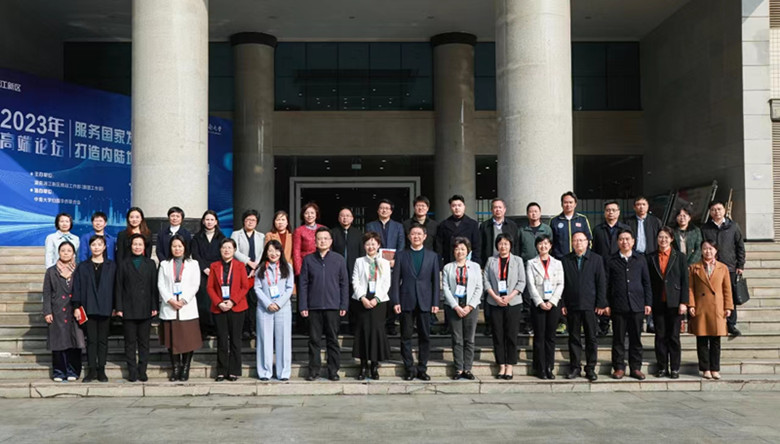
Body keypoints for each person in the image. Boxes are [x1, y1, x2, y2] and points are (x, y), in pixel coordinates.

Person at [391, 223, 440, 381]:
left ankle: (422, 368)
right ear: (408, 236)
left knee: (425, 336)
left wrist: (435, 302)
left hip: (425, 301)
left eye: (419, 234)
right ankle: (409, 368)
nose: (416, 236)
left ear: (425, 236)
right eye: (413, 234)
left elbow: (435, 282)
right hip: (406, 300)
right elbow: (395, 280)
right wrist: (395, 301)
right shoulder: (401, 255)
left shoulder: (432, 256)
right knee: (406, 336)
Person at [299, 228, 349, 381]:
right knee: (314, 340)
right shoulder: (308, 260)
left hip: (333, 306)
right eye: (319, 238)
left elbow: (344, 284)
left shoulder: (338, 259)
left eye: (326, 238)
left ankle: (333, 370)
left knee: (332, 340)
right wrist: (303, 305)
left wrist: (344, 305)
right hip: (314, 307)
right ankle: (313, 370)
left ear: (331, 241)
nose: (322, 241)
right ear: (315, 241)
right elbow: (303, 284)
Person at [605, 229, 652, 380]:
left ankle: (635, 368)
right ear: (617, 242)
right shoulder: (611, 260)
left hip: (637, 305)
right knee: (618, 339)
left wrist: (648, 303)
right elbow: (606, 284)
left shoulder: (640, 259)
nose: (624, 242)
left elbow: (646, 282)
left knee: (636, 339)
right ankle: (619, 367)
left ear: (633, 241)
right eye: (621, 239)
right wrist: (606, 304)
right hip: (618, 305)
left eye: (627, 239)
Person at [561, 232, 606, 381]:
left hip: (590, 306)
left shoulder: (596, 259)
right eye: (575, 240)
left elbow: (601, 283)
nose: (578, 243)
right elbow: (562, 284)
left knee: (591, 338)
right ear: (572, 243)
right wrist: (563, 303)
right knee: (574, 338)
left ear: (587, 242)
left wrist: (600, 303)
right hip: (572, 305)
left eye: (581, 240)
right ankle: (575, 367)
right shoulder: (565, 260)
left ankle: (590, 368)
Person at [114, 234, 159, 382]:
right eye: (135, 244)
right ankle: (132, 371)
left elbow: (154, 287)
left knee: (144, 342)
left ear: (144, 247)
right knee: (130, 342)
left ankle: (142, 370)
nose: (137, 247)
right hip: (128, 308)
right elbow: (118, 287)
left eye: (140, 244)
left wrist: (154, 306)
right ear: (130, 246)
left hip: (146, 308)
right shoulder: (123, 263)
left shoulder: (150, 264)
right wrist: (119, 307)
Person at [157, 234, 202, 382]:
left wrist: (183, 300)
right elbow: (161, 285)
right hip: (170, 307)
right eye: (174, 246)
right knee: (172, 340)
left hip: (186, 306)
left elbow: (195, 284)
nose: (177, 249)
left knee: (188, 339)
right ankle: (175, 368)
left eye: (180, 246)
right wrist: (170, 300)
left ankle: (185, 367)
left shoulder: (193, 264)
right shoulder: (164, 264)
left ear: (185, 247)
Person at [72, 235, 116, 383]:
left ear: (104, 247)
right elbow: (77, 287)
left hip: (106, 308)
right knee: (91, 341)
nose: (96, 247)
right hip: (88, 308)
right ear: (90, 247)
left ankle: (101, 370)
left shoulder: (112, 266)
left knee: (103, 341)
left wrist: (116, 307)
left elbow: (116, 287)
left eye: (99, 244)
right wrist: (76, 306)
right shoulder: (83, 266)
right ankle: (91, 370)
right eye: (93, 245)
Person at [207, 238, 252, 382]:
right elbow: (210, 287)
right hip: (219, 308)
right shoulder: (214, 266)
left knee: (235, 340)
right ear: (220, 250)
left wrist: (232, 301)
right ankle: (221, 371)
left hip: (237, 307)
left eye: (229, 248)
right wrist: (219, 302)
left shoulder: (240, 266)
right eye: (224, 247)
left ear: (234, 250)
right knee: (222, 340)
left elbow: (245, 286)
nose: (226, 250)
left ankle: (234, 371)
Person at [688, 240, 734, 380]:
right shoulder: (694, 267)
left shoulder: (722, 268)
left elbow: (727, 289)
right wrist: (691, 305)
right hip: (701, 306)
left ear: (716, 250)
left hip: (717, 307)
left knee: (715, 340)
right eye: (705, 248)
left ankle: (715, 368)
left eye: (710, 248)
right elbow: (690, 288)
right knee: (702, 339)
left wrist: (728, 306)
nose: (708, 251)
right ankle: (705, 368)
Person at [647, 227, 688, 379]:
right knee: (660, 336)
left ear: (671, 239)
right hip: (658, 301)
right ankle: (662, 367)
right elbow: (648, 281)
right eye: (660, 237)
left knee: (674, 336)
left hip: (675, 302)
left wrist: (684, 302)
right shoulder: (650, 257)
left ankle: (675, 368)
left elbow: (685, 281)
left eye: (666, 237)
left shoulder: (680, 257)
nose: (663, 240)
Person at [483, 233, 526, 380]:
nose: (503, 246)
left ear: (511, 245)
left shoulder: (518, 260)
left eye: (506, 243)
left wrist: (509, 297)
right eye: (501, 243)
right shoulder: (491, 260)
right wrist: (495, 297)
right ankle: (501, 364)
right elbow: (486, 281)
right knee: (498, 335)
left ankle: (510, 365)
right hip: (494, 302)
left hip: (513, 302)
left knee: (511, 335)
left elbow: (522, 282)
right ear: (497, 245)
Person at [351, 232, 392, 380]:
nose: (371, 247)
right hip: (362, 299)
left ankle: (374, 365)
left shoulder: (384, 262)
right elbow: (355, 280)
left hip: (379, 301)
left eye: (373, 244)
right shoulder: (359, 261)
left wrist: (377, 298)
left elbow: (386, 282)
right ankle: (363, 366)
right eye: (368, 244)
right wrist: (362, 297)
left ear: (378, 245)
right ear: (364, 246)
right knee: (363, 331)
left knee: (376, 331)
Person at [700, 201, 745, 337]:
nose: (717, 212)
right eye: (713, 210)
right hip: (710, 267)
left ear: (724, 210)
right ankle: (714, 320)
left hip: (729, 267)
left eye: (719, 209)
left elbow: (740, 246)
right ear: (710, 212)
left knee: (729, 295)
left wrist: (740, 265)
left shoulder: (733, 226)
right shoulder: (705, 228)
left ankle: (731, 324)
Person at [442, 237, 483, 380]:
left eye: (463, 249)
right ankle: (459, 368)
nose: (460, 251)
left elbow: (479, 287)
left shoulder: (475, 267)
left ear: (468, 251)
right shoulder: (448, 267)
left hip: (471, 306)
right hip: (454, 307)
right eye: (457, 249)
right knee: (457, 339)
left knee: (469, 339)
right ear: (453, 251)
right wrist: (455, 306)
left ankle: (468, 368)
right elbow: (445, 288)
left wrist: (470, 306)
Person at [42, 241, 84, 382]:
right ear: (58, 253)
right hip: (57, 311)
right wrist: (47, 311)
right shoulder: (51, 271)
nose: (66, 253)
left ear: (74, 254)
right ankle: (59, 372)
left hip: (74, 311)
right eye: (63, 250)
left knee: (75, 342)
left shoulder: (78, 270)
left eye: (69, 250)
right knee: (58, 343)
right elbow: (47, 293)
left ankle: (73, 371)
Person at [254, 240, 295, 381]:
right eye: (270, 250)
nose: (273, 253)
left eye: (276, 250)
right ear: (266, 252)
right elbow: (257, 288)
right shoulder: (260, 268)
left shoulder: (287, 267)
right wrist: (268, 303)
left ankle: (283, 372)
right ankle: (265, 372)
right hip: (264, 308)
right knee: (264, 340)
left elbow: (289, 288)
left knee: (283, 340)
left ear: (281, 252)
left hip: (283, 308)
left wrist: (278, 303)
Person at [478, 198, 519, 337]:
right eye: (495, 207)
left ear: (505, 209)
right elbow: (480, 246)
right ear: (491, 210)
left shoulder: (512, 225)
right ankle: (490, 325)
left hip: (508, 263)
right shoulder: (485, 226)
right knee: (490, 295)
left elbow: (516, 245)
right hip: (491, 264)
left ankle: (506, 324)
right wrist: (481, 265)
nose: (497, 210)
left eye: (500, 207)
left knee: (508, 292)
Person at [526, 235, 564, 380]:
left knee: (550, 337)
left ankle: (549, 367)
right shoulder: (531, 263)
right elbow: (530, 285)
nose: (543, 246)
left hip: (553, 303)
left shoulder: (557, 263)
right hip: (538, 303)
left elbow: (561, 284)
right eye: (540, 244)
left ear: (550, 246)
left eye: (546, 243)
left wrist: (552, 301)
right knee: (539, 336)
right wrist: (540, 302)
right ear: (536, 246)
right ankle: (540, 367)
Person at [591, 201, 630, 336]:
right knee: (603, 292)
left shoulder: (625, 229)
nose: (611, 213)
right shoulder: (598, 229)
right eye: (608, 210)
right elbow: (594, 250)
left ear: (618, 212)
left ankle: (622, 325)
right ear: (604, 213)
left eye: (613, 210)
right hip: (602, 266)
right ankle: (604, 324)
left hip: (620, 265)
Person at [517, 202, 554, 335]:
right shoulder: (522, 230)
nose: (533, 214)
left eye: (536, 211)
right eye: (531, 211)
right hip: (527, 266)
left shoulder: (547, 229)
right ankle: (528, 322)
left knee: (542, 293)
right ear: (527, 214)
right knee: (528, 295)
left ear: (540, 213)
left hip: (544, 267)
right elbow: (518, 249)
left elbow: (551, 247)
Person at [231, 209, 266, 340]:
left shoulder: (261, 236)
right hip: (241, 269)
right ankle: (243, 329)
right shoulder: (236, 234)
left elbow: (262, 253)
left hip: (256, 271)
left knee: (254, 301)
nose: (250, 222)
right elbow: (234, 251)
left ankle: (253, 328)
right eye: (248, 220)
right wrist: (248, 262)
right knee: (241, 300)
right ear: (243, 221)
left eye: (253, 220)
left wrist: (255, 266)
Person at [191, 210, 226, 338]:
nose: (209, 222)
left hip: (217, 272)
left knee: (216, 299)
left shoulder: (222, 237)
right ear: (203, 221)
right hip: (202, 272)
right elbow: (195, 255)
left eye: (212, 220)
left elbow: (224, 254)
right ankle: (204, 328)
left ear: (216, 222)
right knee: (203, 300)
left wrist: (214, 269)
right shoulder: (197, 237)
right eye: (207, 219)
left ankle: (215, 328)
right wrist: (204, 268)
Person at [331, 207, 365, 332]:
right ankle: (337, 325)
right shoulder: (333, 233)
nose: (345, 218)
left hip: (354, 271)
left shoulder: (359, 234)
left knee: (353, 299)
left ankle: (353, 326)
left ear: (352, 218)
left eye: (347, 216)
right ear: (338, 218)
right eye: (342, 215)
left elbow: (362, 254)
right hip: (336, 272)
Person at [437, 194, 482, 266]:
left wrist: (475, 263)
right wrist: (440, 264)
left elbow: (477, 246)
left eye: (459, 205)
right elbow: (439, 247)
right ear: (450, 207)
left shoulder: (472, 224)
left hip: (468, 263)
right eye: (454, 206)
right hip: (449, 263)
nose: (457, 208)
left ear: (464, 207)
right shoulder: (444, 225)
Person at [549, 191, 592, 260]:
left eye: (570, 202)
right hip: (560, 259)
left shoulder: (582, 219)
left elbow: (589, 239)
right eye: (565, 202)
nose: (568, 205)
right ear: (561, 204)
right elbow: (550, 241)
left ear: (575, 204)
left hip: (579, 258)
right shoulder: (554, 221)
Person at [366, 198, 406, 263]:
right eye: (381, 208)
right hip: (375, 260)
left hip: (393, 261)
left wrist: (396, 260)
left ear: (391, 211)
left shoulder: (398, 226)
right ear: (378, 210)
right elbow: (369, 243)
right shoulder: (370, 226)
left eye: (387, 208)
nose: (384, 210)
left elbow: (401, 245)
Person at [292, 202, 326, 276]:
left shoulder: (323, 228)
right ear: (303, 215)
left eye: (312, 213)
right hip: (306, 264)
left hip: (321, 262)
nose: (309, 215)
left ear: (316, 214)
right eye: (306, 213)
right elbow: (296, 251)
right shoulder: (299, 231)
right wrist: (299, 271)